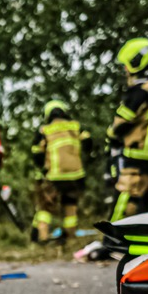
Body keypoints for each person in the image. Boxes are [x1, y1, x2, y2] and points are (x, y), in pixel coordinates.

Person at [108, 38, 148, 221]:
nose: (126, 70)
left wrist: (111, 135)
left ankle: (114, 242)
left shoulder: (141, 91)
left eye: (127, 65)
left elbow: (120, 123)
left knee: (126, 200)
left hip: (139, 157)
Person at [30, 100, 91, 243]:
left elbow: (36, 153)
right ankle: (70, 237)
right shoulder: (76, 126)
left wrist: (42, 167)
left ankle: (42, 238)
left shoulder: (45, 130)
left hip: (55, 176)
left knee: (45, 206)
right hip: (76, 175)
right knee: (70, 205)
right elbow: (89, 143)